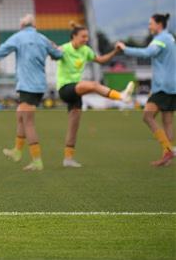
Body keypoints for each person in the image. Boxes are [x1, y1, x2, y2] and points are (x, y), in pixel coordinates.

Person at [0, 14, 62, 171]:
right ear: (34, 26)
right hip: (39, 86)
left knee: (28, 122)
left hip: (27, 86)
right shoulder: (43, 39)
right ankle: (17, 150)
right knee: (20, 115)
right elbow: (58, 55)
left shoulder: (19, 37)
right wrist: (56, 48)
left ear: (22, 25)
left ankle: (37, 161)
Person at [57, 23, 134, 167]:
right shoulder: (65, 49)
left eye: (87, 36)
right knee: (93, 85)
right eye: (83, 36)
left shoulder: (86, 50)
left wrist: (115, 52)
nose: (86, 39)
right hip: (65, 89)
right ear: (74, 37)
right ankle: (121, 96)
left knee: (73, 127)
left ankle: (68, 159)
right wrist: (54, 50)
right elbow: (55, 55)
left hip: (76, 91)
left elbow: (101, 60)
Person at [116, 13, 175, 166]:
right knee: (167, 121)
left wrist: (125, 48)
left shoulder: (160, 39)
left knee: (147, 116)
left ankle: (168, 150)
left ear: (159, 24)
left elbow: (147, 53)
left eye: (151, 23)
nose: (149, 26)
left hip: (163, 86)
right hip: (172, 85)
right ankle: (167, 156)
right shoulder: (170, 38)